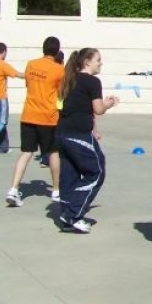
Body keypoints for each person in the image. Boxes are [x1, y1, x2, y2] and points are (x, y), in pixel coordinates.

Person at [55, 48, 120, 233]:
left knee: (70, 174)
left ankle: (67, 214)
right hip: (78, 134)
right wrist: (108, 103)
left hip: (62, 133)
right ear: (87, 62)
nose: (101, 63)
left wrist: (94, 128)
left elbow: (73, 106)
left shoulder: (69, 79)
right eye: (98, 59)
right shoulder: (92, 81)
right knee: (97, 171)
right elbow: (98, 109)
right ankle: (73, 213)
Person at [6, 37, 65, 207]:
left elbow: (28, 84)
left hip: (28, 115)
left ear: (44, 49)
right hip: (48, 117)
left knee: (26, 152)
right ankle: (56, 190)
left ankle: (13, 189)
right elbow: (61, 92)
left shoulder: (31, 64)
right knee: (53, 152)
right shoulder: (59, 69)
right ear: (57, 50)